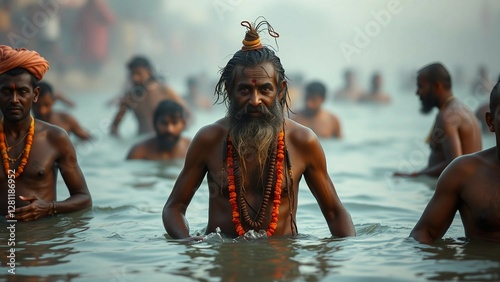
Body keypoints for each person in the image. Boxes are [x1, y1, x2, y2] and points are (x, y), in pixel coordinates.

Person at [162, 20, 355, 240]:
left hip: (281, 264)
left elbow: (334, 212)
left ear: (280, 90)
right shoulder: (209, 139)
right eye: (245, 89)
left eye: (265, 89)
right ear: (230, 89)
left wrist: (346, 259)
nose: (255, 100)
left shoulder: (303, 141)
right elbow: (174, 208)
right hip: (227, 262)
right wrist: (186, 241)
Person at [0, 45, 92, 220]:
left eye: (22, 92)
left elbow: (84, 198)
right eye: (6, 92)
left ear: (35, 95)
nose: (14, 100)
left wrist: (49, 208)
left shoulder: (55, 138)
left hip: (43, 240)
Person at [410, 81, 500, 243]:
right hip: (479, 266)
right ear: (490, 121)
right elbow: (424, 233)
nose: (418, 92)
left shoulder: (447, 115)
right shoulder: (464, 173)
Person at [394, 63, 482, 178]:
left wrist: (414, 176)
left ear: (437, 87)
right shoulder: (464, 110)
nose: (417, 92)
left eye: (420, 86)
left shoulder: (446, 117)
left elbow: (454, 165)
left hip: (455, 193)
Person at [110, 56, 190, 136]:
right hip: (141, 139)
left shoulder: (164, 91)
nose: (135, 78)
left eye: (138, 73)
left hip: (164, 139)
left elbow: (187, 114)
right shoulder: (130, 98)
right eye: (132, 74)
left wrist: (177, 136)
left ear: (149, 72)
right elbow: (114, 127)